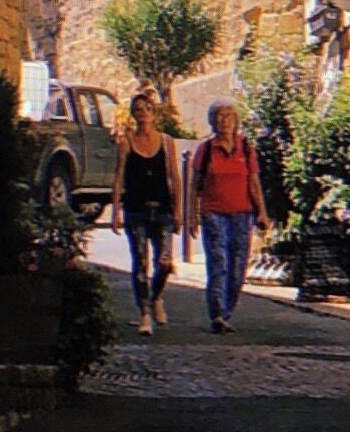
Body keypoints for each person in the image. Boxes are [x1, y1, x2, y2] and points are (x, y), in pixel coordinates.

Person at [185, 99, 269, 333]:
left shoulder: (246, 148)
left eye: (228, 116)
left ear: (236, 120)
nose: (224, 121)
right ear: (213, 121)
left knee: (238, 265)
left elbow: (253, 183)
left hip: (242, 214)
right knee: (218, 262)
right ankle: (217, 314)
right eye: (219, 117)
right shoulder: (206, 150)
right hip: (213, 213)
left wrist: (262, 212)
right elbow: (194, 186)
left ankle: (227, 311)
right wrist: (191, 216)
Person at [112, 90, 179, 334]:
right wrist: (115, 210)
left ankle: (155, 297)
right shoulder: (126, 142)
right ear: (133, 114)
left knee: (165, 262)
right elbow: (119, 177)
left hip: (162, 208)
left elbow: (174, 176)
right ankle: (144, 314)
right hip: (136, 209)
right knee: (140, 262)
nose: (143, 113)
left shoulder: (166, 142)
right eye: (138, 109)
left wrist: (178, 210)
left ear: (154, 112)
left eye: (147, 108)